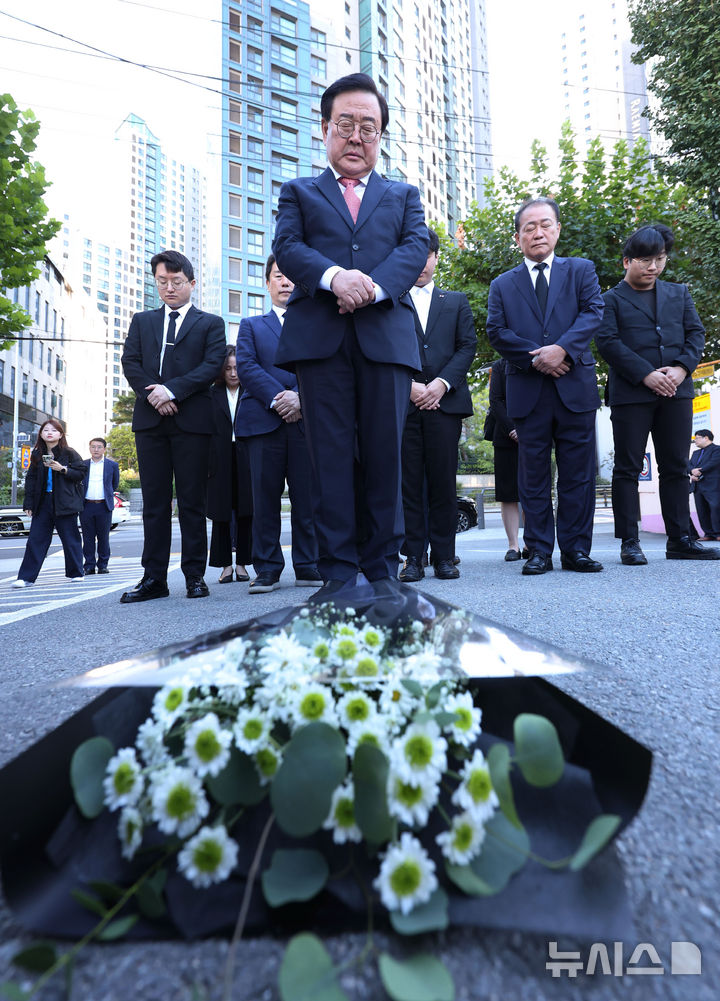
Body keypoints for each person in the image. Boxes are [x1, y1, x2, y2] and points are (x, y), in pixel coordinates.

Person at [272, 73, 428, 601]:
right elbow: (289, 247)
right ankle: (337, 572)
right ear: (325, 129)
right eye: (346, 125)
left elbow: (413, 250)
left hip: (386, 340)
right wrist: (336, 277)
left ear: (381, 135)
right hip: (321, 342)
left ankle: (384, 569)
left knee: (386, 455)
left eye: (369, 126)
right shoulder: (298, 192)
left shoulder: (405, 195)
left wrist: (373, 287)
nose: (357, 136)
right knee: (329, 458)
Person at [486, 197, 605, 576]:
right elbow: (497, 331)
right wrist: (540, 357)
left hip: (575, 387)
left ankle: (576, 550)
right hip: (528, 390)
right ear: (517, 237)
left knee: (578, 474)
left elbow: (593, 312)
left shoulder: (581, 270)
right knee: (533, 476)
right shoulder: (503, 284)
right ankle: (538, 550)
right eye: (529, 227)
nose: (538, 232)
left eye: (545, 224)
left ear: (557, 229)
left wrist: (562, 349)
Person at [595, 225, 719, 563]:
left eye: (660, 259)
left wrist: (681, 368)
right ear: (626, 262)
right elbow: (607, 342)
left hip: (676, 392)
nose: (653, 267)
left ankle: (680, 539)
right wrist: (646, 374)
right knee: (627, 467)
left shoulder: (679, 294)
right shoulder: (609, 300)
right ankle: (629, 542)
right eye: (645, 260)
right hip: (632, 394)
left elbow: (696, 334)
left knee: (677, 467)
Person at [120, 249, 227, 602]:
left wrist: (172, 391)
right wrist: (153, 395)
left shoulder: (210, 323)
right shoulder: (142, 320)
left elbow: (212, 366)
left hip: (193, 422)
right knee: (154, 502)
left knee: (192, 502)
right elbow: (130, 361)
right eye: (162, 281)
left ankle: (195, 576)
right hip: (150, 422)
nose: (169, 288)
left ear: (191, 284)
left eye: (176, 282)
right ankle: (154, 579)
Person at [235, 255, 320, 593]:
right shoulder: (251, 325)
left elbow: (323, 367)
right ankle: (267, 568)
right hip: (262, 423)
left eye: (291, 278)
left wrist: (301, 397)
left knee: (308, 499)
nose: (285, 283)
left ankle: (309, 564)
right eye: (278, 276)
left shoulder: (316, 325)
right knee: (264, 500)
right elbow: (247, 366)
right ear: (268, 283)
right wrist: (279, 398)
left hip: (306, 422)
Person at [398, 227, 476, 582]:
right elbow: (384, 348)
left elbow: (466, 347)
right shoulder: (392, 300)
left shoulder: (456, 300)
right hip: (405, 403)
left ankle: (445, 555)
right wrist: (410, 387)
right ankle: (413, 556)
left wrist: (441, 385)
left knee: (444, 481)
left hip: (446, 404)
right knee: (409, 483)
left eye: (427, 255)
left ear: (436, 257)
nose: (421, 263)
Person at [12, 419, 86, 588]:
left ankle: (77, 573)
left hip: (65, 502)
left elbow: (81, 473)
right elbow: (30, 478)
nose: (49, 433)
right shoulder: (37, 454)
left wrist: (63, 469)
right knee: (35, 540)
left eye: (54, 430)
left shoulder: (69, 453)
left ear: (60, 434)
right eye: (46, 430)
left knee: (70, 539)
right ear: (41, 435)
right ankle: (26, 578)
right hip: (43, 502)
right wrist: (28, 503)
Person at [207, 346, 253, 584]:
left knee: (247, 511)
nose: (233, 373)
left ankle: (243, 564)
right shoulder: (211, 394)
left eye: (237, 368)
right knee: (221, 514)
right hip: (219, 458)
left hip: (246, 456)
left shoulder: (252, 391)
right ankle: (225, 566)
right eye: (228, 368)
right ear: (221, 370)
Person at [487, 358, 527, 562]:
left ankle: (532, 543)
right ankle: (513, 545)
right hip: (505, 435)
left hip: (535, 433)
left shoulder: (540, 360)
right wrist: (512, 429)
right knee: (508, 493)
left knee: (535, 489)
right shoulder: (499, 365)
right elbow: (495, 401)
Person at [79, 437, 120, 575]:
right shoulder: (83, 464)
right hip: (86, 506)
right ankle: (89, 566)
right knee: (88, 538)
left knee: (104, 537)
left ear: (104, 449)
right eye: (93, 447)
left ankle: (103, 565)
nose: (96, 449)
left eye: (99, 447)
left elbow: (114, 484)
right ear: (89, 448)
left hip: (104, 506)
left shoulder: (112, 465)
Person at [689, 429, 720, 541]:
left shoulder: (717, 449)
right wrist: (692, 471)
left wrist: (700, 471)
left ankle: (718, 533)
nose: (695, 441)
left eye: (697, 438)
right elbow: (689, 464)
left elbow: (713, 463)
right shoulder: (695, 453)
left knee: (715, 508)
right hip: (697, 485)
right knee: (702, 510)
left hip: (713, 485)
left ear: (706, 438)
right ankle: (708, 533)